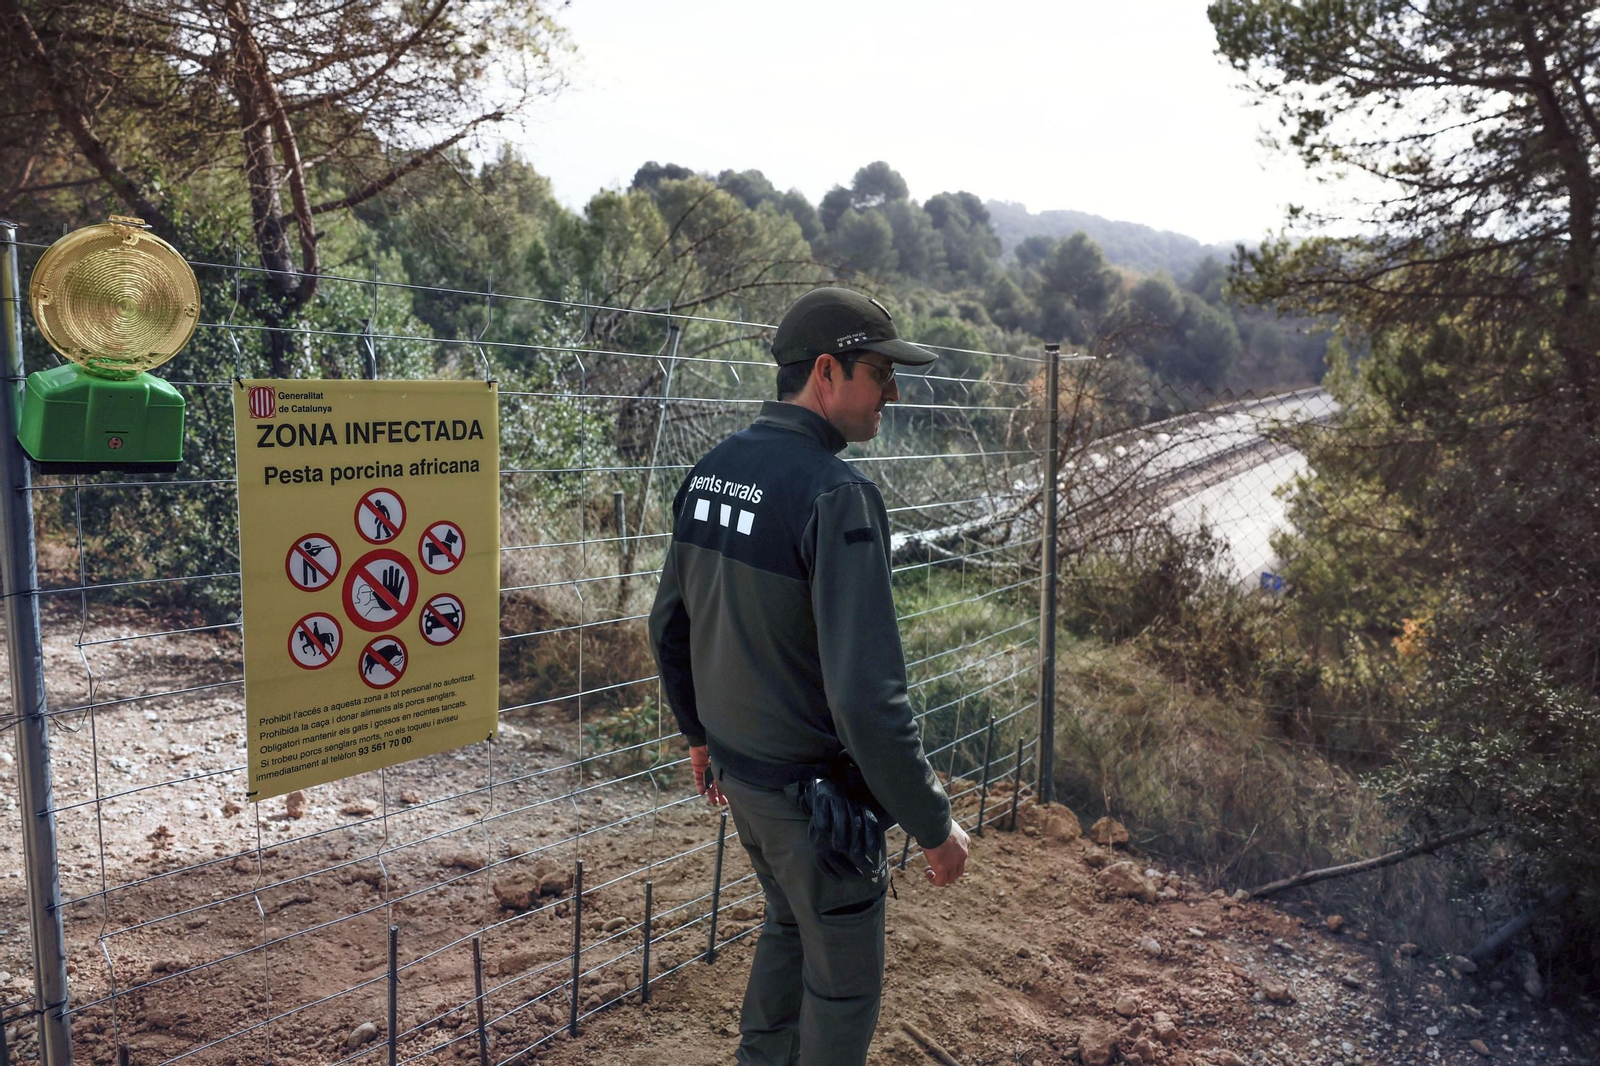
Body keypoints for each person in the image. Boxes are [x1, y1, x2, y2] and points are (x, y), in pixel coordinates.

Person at [649, 287, 971, 1066]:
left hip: (745, 782)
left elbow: (668, 625)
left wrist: (699, 736)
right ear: (827, 371)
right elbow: (868, 698)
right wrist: (933, 823)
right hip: (816, 807)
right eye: (879, 374)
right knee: (843, 985)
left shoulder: (715, 469)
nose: (892, 394)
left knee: (789, 926)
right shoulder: (837, 495)